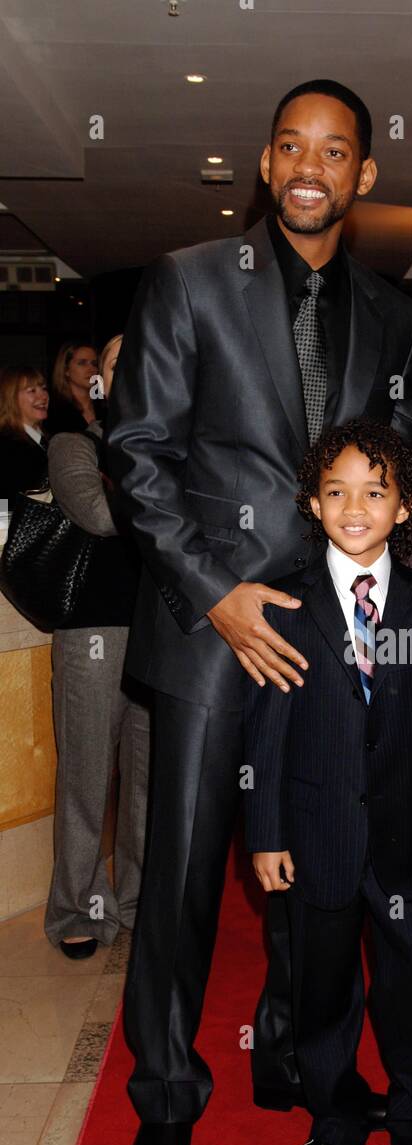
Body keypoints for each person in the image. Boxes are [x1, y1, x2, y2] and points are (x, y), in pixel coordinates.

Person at [105, 79, 412, 1145]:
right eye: (290, 144)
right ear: (265, 159)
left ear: (361, 176)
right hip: (208, 636)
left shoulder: (394, 312)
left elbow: (394, 474)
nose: (308, 165)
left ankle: (294, 1059)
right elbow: (135, 453)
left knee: (314, 874)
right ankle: (165, 1098)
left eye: (333, 151)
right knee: (185, 877)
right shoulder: (191, 280)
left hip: (333, 648)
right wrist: (217, 593)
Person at [244, 420, 412, 1145]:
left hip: (410, 841)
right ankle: (335, 1119)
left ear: (404, 506)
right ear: (312, 502)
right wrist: (267, 831)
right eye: (336, 491)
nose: (355, 507)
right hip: (318, 834)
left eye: (374, 492)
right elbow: (268, 730)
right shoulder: (286, 603)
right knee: (323, 984)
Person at [44, 335, 150, 960]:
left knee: (148, 784)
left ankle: (135, 901)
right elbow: (99, 514)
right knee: (86, 777)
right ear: (100, 384)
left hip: (161, 632)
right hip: (93, 633)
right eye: (115, 363)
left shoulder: (176, 445)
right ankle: (76, 908)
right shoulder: (73, 445)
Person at [0, 365, 49, 509]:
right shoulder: (5, 445)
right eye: (32, 390)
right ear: (11, 397)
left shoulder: (47, 439)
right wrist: (2, 530)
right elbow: (2, 500)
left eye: (44, 388)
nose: (43, 396)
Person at [47, 342, 103, 436]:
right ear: (66, 370)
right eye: (82, 363)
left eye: (94, 364)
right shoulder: (54, 410)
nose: (91, 369)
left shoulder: (105, 406)